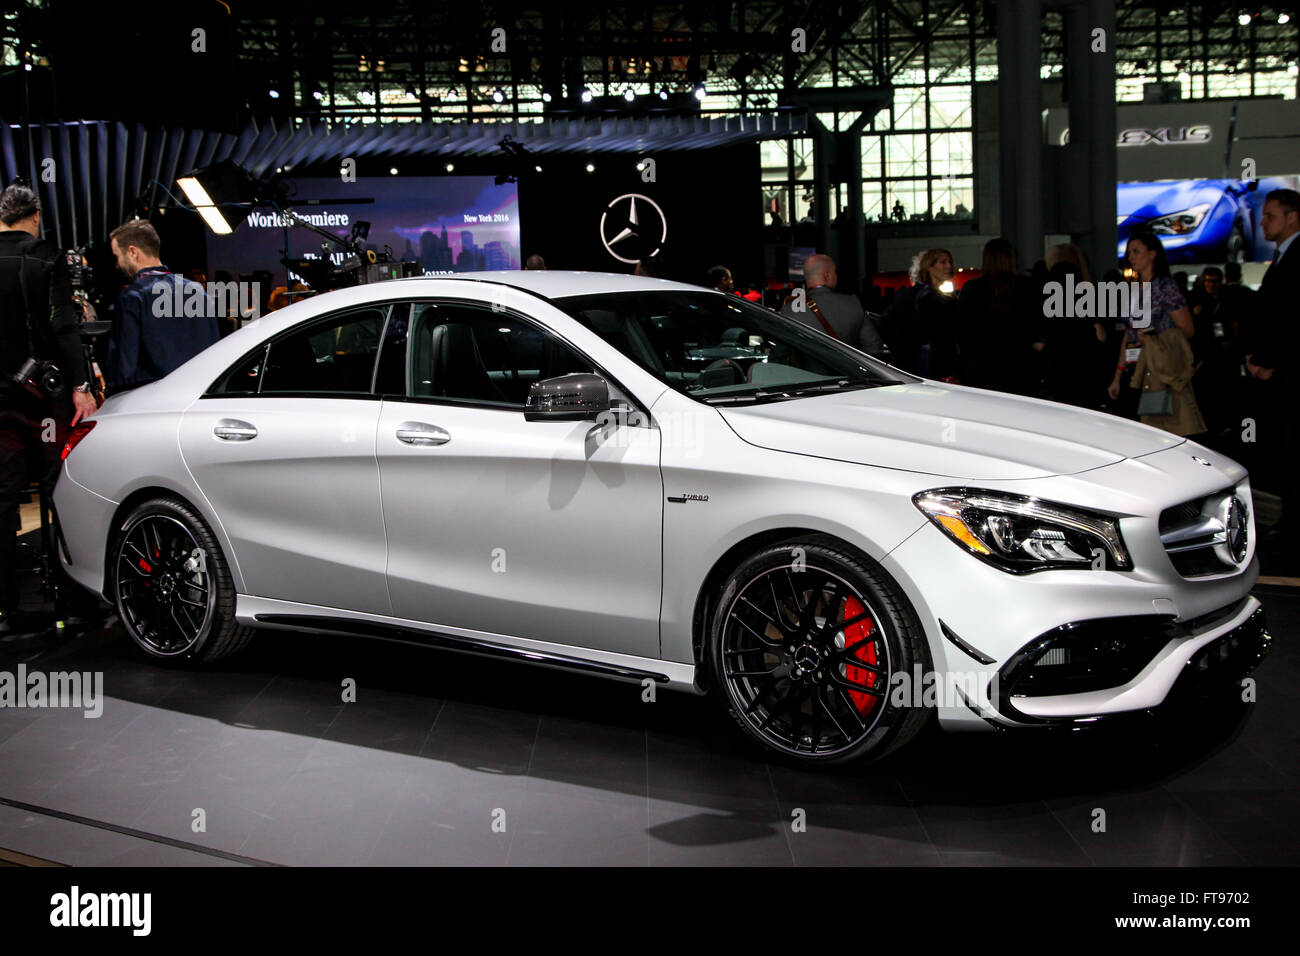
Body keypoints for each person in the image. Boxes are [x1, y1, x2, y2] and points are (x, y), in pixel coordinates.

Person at [0, 184, 98, 635]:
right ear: (36, 216)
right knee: (60, 492)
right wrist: (81, 385)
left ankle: (5, 606)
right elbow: (64, 326)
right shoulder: (48, 258)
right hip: (41, 399)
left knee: (3, 500)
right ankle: (73, 596)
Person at [104, 220, 220, 394]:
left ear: (133, 252)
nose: (117, 265)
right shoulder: (197, 291)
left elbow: (124, 369)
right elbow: (216, 353)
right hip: (199, 397)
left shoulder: (132, 298)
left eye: (117, 256)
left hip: (153, 401)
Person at [1243, 189, 1300, 542]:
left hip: (1291, 371)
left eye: (1270, 216)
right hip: (1283, 372)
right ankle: (1291, 520)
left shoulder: (1297, 257)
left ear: (1292, 217)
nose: (1262, 222)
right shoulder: (1282, 258)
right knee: (1286, 448)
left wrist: (1268, 361)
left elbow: (1290, 319)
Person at [1108, 232, 1203, 436]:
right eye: (1129, 252)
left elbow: (1187, 329)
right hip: (1134, 368)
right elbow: (1128, 334)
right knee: (1134, 426)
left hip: (1157, 366)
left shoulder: (1164, 287)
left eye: (1136, 251)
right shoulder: (1132, 288)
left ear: (1152, 254)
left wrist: (1155, 338)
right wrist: (1117, 375)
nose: (1131, 256)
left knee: (1157, 426)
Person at [957, 238, 1042, 394]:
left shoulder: (972, 288)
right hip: (1020, 367)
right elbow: (1036, 329)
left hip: (981, 367)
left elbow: (962, 331)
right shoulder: (1027, 286)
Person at [1041, 242, 1108, 408]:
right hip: (1086, 369)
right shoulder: (1087, 289)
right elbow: (1102, 334)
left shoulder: (1044, 287)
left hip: (1056, 367)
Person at [779, 254, 884, 356]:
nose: (836, 276)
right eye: (835, 272)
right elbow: (874, 347)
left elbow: (781, 353)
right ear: (827, 275)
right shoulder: (852, 303)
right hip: (847, 372)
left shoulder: (790, 309)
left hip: (806, 373)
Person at [879, 248, 959, 378]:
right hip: (928, 365)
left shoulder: (915, 295)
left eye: (950, 262)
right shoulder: (922, 296)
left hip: (919, 363)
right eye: (943, 262)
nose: (949, 266)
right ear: (930, 267)